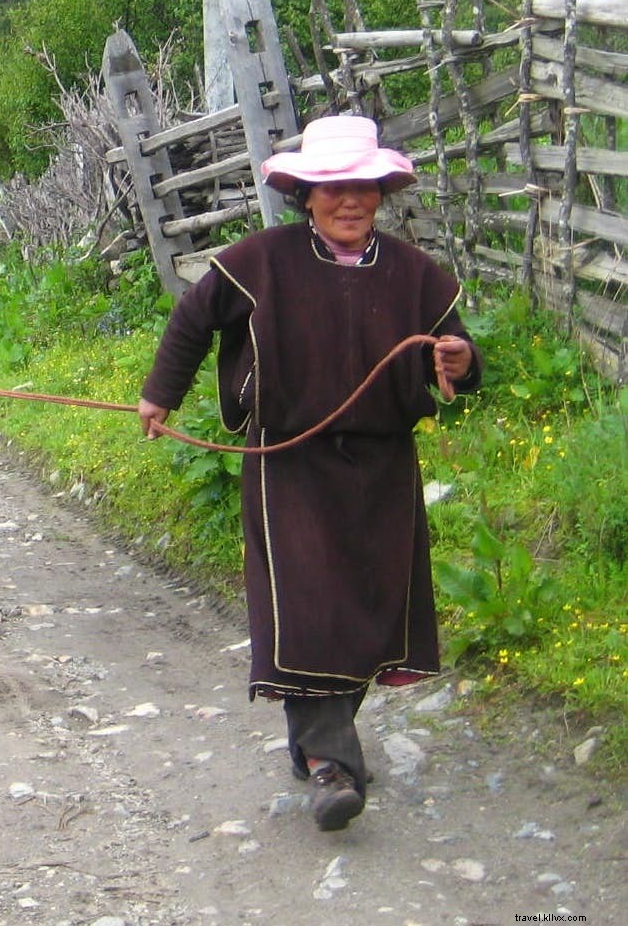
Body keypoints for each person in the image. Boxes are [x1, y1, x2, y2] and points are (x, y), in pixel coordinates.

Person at [137, 115, 481, 832]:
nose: (349, 201)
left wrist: (459, 359)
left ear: (381, 192)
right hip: (289, 461)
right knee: (308, 606)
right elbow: (194, 317)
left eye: (363, 187)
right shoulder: (262, 261)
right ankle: (331, 764)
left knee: (368, 608)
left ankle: (320, 740)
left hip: (382, 463)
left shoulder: (413, 273)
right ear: (305, 195)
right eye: (332, 188)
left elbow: (456, 351)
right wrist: (160, 393)